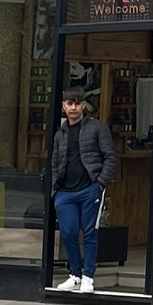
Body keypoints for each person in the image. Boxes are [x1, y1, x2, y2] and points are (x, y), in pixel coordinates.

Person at [47, 91, 116, 293]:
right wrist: (55, 190)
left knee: (89, 233)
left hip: (90, 188)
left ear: (84, 105)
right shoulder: (60, 133)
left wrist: (100, 184)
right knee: (68, 233)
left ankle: (88, 276)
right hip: (65, 192)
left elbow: (110, 157)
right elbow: (54, 163)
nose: (74, 107)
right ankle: (75, 274)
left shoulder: (97, 128)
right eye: (70, 103)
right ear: (63, 106)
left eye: (78, 103)